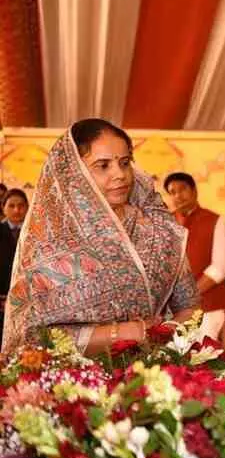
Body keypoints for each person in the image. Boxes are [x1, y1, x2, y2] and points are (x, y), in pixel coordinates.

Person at [1, 119, 199, 357]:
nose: (120, 174)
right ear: (74, 173)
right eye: (103, 165)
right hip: (70, 375)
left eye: (124, 162)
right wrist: (122, 334)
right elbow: (28, 335)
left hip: (154, 370)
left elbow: (190, 308)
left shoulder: (158, 230)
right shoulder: (49, 243)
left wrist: (159, 342)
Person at [165, 172, 225, 340]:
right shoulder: (166, 223)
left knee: (203, 353)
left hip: (207, 308)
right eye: (172, 192)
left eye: (182, 189)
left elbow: (219, 269)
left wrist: (189, 294)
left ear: (194, 191)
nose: (178, 196)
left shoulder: (215, 220)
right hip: (172, 312)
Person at [0, 189, 29, 344]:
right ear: (3, 207)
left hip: (27, 301)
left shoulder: (34, 232)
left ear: (28, 207)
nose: (17, 210)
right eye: (11, 206)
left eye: (21, 205)